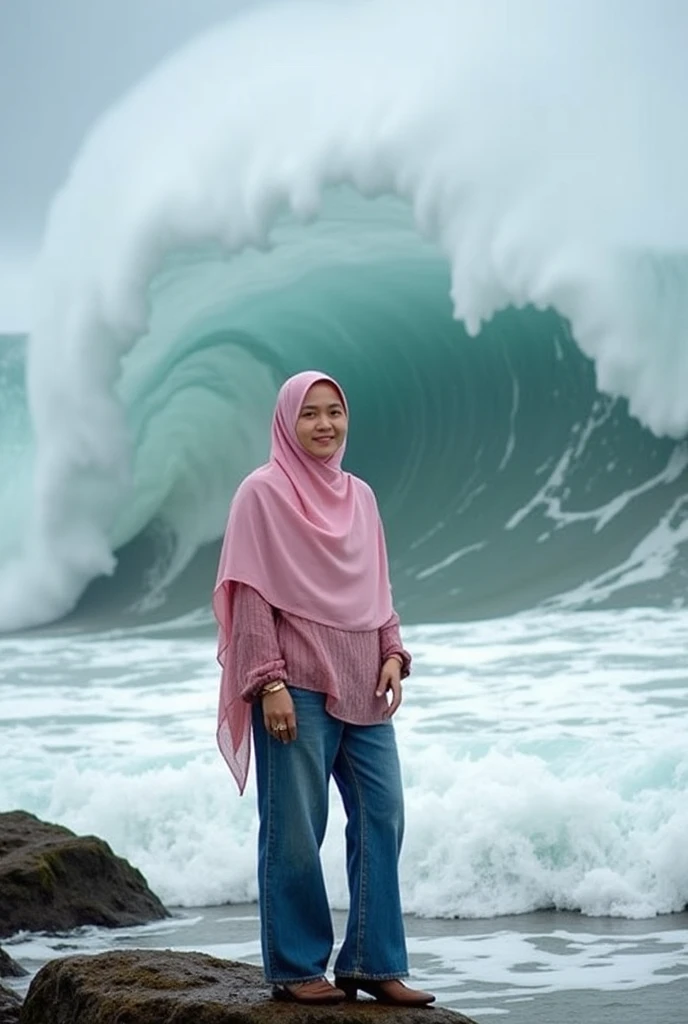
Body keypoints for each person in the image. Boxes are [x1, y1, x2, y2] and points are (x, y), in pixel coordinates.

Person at [212, 370, 435, 1007]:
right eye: (309, 413)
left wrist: (393, 650)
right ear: (287, 420)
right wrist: (267, 682)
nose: (324, 425)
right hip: (296, 684)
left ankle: (372, 961)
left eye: (334, 412)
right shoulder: (261, 493)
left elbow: (376, 587)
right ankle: (295, 967)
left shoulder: (359, 495)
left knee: (383, 814)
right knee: (293, 831)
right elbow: (250, 596)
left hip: (365, 680)